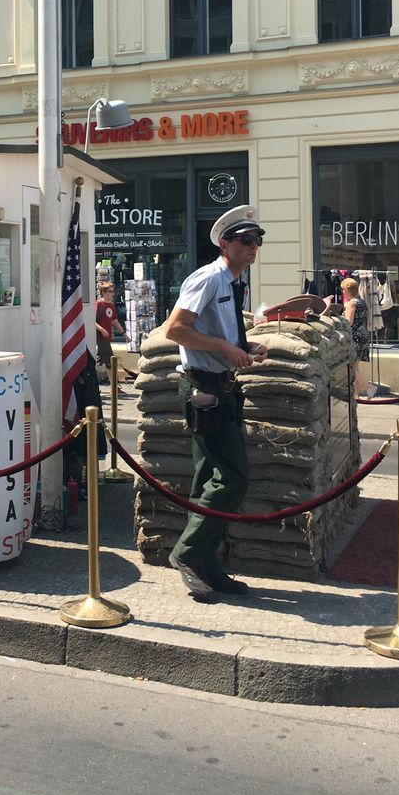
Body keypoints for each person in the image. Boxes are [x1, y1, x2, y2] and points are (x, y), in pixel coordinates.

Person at [162, 206, 268, 603]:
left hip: (221, 387)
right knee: (233, 478)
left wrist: (244, 346)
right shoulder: (208, 277)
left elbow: (218, 330)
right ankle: (188, 553)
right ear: (224, 243)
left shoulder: (235, 283)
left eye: (257, 240)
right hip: (203, 389)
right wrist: (224, 347)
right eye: (245, 240)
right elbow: (175, 329)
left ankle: (206, 562)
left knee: (207, 480)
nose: (253, 246)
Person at [340, 277, 370, 394]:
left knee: (352, 367)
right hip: (363, 334)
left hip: (355, 336)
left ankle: (369, 388)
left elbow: (348, 321)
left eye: (343, 290)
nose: (343, 292)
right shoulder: (361, 301)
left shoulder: (352, 303)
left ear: (347, 290)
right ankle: (356, 394)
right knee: (356, 366)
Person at [94, 281, 124, 379]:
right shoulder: (99, 304)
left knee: (99, 361)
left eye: (113, 291)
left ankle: (93, 380)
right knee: (110, 361)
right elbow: (92, 321)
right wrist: (102, 330)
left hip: (107, 337)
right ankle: (115, 386)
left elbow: (115, 321)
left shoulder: (111, 305)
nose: (112, 294)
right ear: (103, 292)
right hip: (101, 338)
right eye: (110, 291)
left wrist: (124, 334)